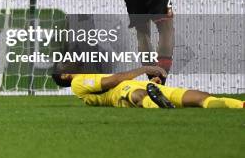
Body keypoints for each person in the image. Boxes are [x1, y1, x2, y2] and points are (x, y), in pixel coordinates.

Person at [51, 64, 244, 109]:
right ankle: (158, 103)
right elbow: (112, 82)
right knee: (138, 94)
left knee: (201, 97)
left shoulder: (84, 77)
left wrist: (150, 81)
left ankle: (240, 105)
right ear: (65, 75)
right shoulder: (77, 83)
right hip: (120, 93)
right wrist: (145, 68)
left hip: (139, 84)